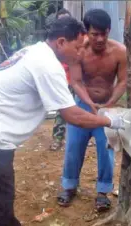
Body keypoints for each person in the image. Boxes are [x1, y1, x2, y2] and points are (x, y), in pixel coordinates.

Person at [0, 16, 126, 226]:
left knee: (1, 197)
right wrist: (110, 121)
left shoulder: (36, 51)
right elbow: (72, 115)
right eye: (77, 47)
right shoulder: (48, 65)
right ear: (61, 42)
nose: (80, 53)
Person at [57, 9, 127, 212]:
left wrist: (109, 104)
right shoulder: (79, 51)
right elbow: (76, 82)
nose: (99, 38)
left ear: (109, 30)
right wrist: (89, 103)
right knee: (73, 147)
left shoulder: (120, 51)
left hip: (108, 107)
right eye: (94, 34)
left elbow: (123, 81)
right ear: (86, 32)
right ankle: (69, 186)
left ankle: (103, 192)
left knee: (106, 150)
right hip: (82, 105)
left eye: (104, 33)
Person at [49, 8, 74, 151]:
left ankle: (82, 136)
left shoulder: (77, 37)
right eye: (61, 20)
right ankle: (58, 138)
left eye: (67, 19)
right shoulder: (53, 40)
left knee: (79, 107)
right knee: (62, 110)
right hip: (61, 80)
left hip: (76, 80)